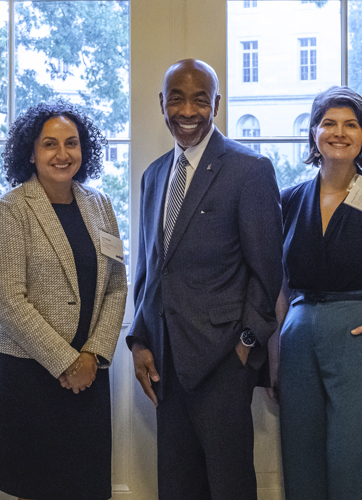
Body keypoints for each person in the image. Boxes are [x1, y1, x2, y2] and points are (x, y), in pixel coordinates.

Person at [126, 59, 283, 500]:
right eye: (176, 97)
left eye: (200, 99)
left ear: (217, 103)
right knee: (176, 485)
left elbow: (267, 272)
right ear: (162, 103)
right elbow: (151, 268)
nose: (187, 110)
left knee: (229, 486)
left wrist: (245, 345)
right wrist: (140, 340)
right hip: (165, 361)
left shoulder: (249, 170)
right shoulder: (155, 173)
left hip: (223, 361)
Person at [267, 86, 362, 500]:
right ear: (314, 134)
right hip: (298, 339)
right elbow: (281, 285)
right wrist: (274, 354)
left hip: (360, 335)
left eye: (350, 125)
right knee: (300, 460)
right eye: (329, 123)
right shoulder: (288, 200)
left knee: (352, 461)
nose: (339, 133)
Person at [0, 101, 127, 500]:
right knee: (37, 485)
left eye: (72, 143)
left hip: (90, 370)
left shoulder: (100, 205)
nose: (62, 154)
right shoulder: (9, 209)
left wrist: (93, 355)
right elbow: (8, 300)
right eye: (50, 144)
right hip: (28, 372)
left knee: (86, 483)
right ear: (31, 152)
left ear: (85, 150)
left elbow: (117, 285)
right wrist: (66, 362)